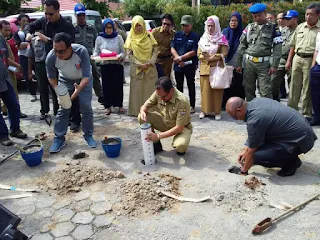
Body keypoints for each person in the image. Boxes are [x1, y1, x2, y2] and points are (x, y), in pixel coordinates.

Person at [226, 97, 317, 177]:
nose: (236, 120)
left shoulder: (254, 119)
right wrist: (245, 152)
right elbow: (255, 135)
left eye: (234, 117)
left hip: (301, 140)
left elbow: (252, 150)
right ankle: (290, 156)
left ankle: (290, 163)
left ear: (240, 110)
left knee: (257, 156)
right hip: (300, 132)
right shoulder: (256, 102)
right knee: (254, 151)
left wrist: (243, 171)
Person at [25, 0, 80, 130]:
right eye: (46, 13)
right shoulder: (44, 21)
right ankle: (58, 116)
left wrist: (48, 40)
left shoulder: (67, 25)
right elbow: (30, 26)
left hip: (64, 62)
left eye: (50, 14)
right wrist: (28, 33)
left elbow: (70, 43)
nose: (47, 16)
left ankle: (75, 119)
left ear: (57, 11)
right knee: (53, 90)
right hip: (47, 61)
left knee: (68, 90)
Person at [46, 33, 96, 153]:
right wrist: (59, 91)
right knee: (64, 108)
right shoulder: (51, 57)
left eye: (61, 51)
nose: (58, 54)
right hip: (65, 80)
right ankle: (59, 138)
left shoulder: (81, 51)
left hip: (84, 80)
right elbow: (52, 77)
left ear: (70, 48)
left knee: (86, 106)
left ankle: (88, 134)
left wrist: (77, 90)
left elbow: (86, 76)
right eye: (55, 50)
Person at [236, 3, 282, 101]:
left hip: (264, 64)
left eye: (259, 15)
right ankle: (251, 112)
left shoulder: (273, 28)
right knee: (249, 89)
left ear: (265, 13)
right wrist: (238, 63)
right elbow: (242, 46)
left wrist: (275, 65)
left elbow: (278, 47)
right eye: (254, 16)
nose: (257, 18)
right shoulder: (249, 27)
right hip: (249, 63)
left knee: (265, 91)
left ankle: (266, 113)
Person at [138, 76, 192, 156]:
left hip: (182, 127)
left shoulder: (182, 101)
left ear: (171, 91)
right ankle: (156, 145)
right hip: (165, 122)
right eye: (159, 96)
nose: (161, 98)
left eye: (163, 96)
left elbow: (179, 127)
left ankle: (178, 140)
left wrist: (158, 136)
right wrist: (142, 111)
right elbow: (145, 106)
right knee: (141, 117)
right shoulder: (158, 93)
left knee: (180, 146)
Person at [286, 3, 320, 121]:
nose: (308, 17)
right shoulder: (300, 27)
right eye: (306, 14)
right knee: (294, 85)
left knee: (307, 87)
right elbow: (292, 45)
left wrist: (314, 64)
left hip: (311, 59)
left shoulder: (319, 29)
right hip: (297, 58)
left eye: (311, 14)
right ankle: (291, 110)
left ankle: (306, 113)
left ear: (318, 15)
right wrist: (289, 60)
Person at [124, 15, 158, 117]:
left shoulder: (149, 36)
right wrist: (140, 64)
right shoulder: (130, 38)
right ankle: (136, 111)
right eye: (136, 26)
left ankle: (151, 111)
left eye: (140, 25)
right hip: (137, 69)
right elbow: (129, 55)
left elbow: (155, 51)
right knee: (137, 92)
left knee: (150, 91)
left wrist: (150, 62)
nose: (138, 28)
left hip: (150, 68)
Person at [198, 16, 228, 120]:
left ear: (217, 26)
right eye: (208, 26)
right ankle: (204, 111)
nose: (210, 28)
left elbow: (224, 53)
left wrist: (214, 57)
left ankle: (217, 111)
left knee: (217, 91)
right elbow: (199, 54)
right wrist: (206, 57)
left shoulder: (222, 38)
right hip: (205, 68)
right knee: (204, 91)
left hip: (217, 68)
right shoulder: (203, 38)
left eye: (212, 26)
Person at [93, 18, 126, 115]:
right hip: (105, 66)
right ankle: (108, 106)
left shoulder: (118, 37)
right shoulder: (99, 38)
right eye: (106, 28)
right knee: (107, 86)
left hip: (116, 65)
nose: (108, 30)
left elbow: (123, 52)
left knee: (118, 86)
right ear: (103, 28)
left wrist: (120, 57)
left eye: (110, 28)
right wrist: (94, 56)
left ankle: (119, 105)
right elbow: (96, 51)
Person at [0, 33, 27, 146]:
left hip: (4, 78)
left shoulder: (0, 38)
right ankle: (3, 136)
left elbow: (5, 57)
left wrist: (17, 65)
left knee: (13, 104)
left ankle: (15, 129)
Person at [74, 3, 104, 104]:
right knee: (78, 78)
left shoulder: (91, 27)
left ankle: (101, 96)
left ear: (85, 15)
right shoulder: (73, 28)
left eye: (83, 15)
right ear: (75, 16)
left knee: (95, 75)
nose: (81, 17)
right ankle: (77, 98)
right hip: (77, 58)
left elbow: (97, 42)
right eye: (79, 15)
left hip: (90, 56)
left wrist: (97, 54)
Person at [171, 15, 199, 114]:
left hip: (190, 65)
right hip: (178, 65)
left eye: (186, 25)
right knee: (179, 86)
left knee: (191, 85)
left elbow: (194, 51)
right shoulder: (177, 35)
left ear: (191, 25)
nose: (184, 27)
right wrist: (178, 59)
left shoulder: (195, 36)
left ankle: (192, 105)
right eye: (183, 25)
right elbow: (172, 48)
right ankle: (180, 104)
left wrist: (181, 58)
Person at [28, 30, 58, 120]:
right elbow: (30, 57)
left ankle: (57, 111)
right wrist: (30, 72)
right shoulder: (33, 41)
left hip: (52, 65)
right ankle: (44, 111)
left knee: (55, 88)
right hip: (40, 66)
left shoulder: (52, 40)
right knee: (42, 89)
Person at [0, 20, 27, 118]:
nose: (8, 32)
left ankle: (7, 110)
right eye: (5, 30)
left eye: (9, 30)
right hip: (5, 71)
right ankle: (14, 112)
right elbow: (5, 59)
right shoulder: (1, 40)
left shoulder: (4, 40)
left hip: (9, 70)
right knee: (12, 93)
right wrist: (17, 65)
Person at [271, 10, 298, 101]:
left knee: (293, 85)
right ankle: (275, 100)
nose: (287, 20)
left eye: (289, 19)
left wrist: (289, 60)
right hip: (281, 59)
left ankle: (292, 105)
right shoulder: (283, 30)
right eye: (285, 18)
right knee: (273, 81)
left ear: (295, 19)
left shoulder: (300, 30)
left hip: (294, 60)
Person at [222, 12, 245, 108]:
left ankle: (239, 104)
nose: (233, 23)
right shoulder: (225, 32)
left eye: (236, 21)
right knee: (227, 83)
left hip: (238, 61)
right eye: (232, 20)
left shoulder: (243, 33)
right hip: (227, 61)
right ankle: (226, 104)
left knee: (239, 84)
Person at [13, 14, 38, 102]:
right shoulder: (17, 33)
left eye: (27, 21)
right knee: (27, 76)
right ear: (19, 21)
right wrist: (29, 42)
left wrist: (26, 43)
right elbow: (19, 45)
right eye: (23, 21)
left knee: (39, 74)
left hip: (34, 56)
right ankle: (33, 94)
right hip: (23, 56)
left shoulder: (32, 31)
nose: (25, 22)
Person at [310, 31, 320, 126]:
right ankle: (317, 117)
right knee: (315, 94)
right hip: (317, 67)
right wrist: (313, 67)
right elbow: (316, 50)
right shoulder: (319, 33)